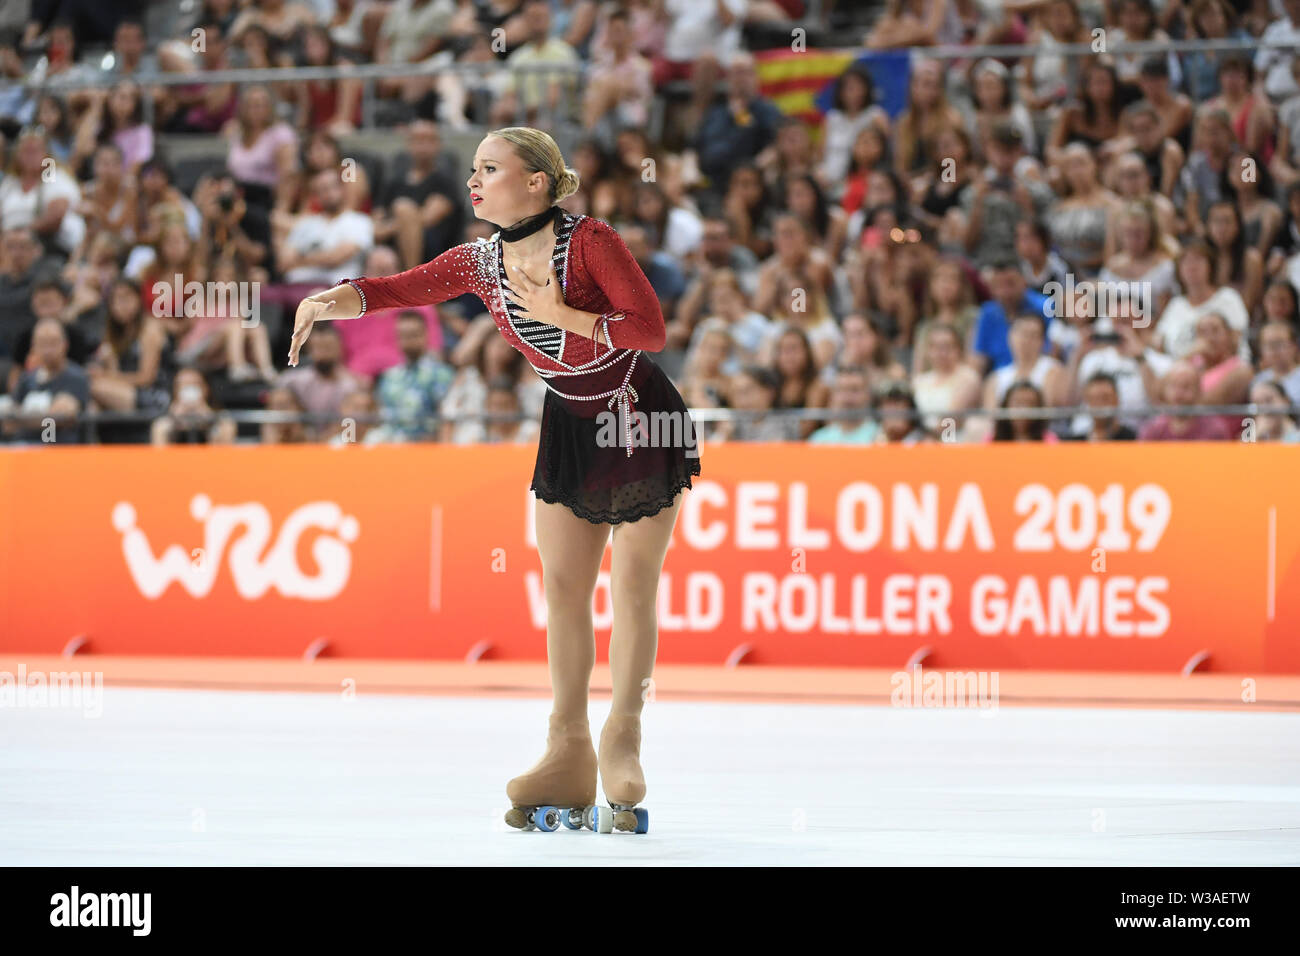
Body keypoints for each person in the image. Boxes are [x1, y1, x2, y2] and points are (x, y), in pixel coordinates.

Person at [287, 126, 699, 833]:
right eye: (472, 170)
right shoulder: (480, 263)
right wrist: (331, 298)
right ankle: (566, 747)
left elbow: (651, 329)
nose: (472, 182)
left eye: (489, 169)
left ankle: (621, 738)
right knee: (565, 592)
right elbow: (399, 289)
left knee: (632, 583)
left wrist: (566, 316)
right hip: (568, 422)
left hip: (637, 413)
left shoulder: (591, 242)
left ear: (536, 181)